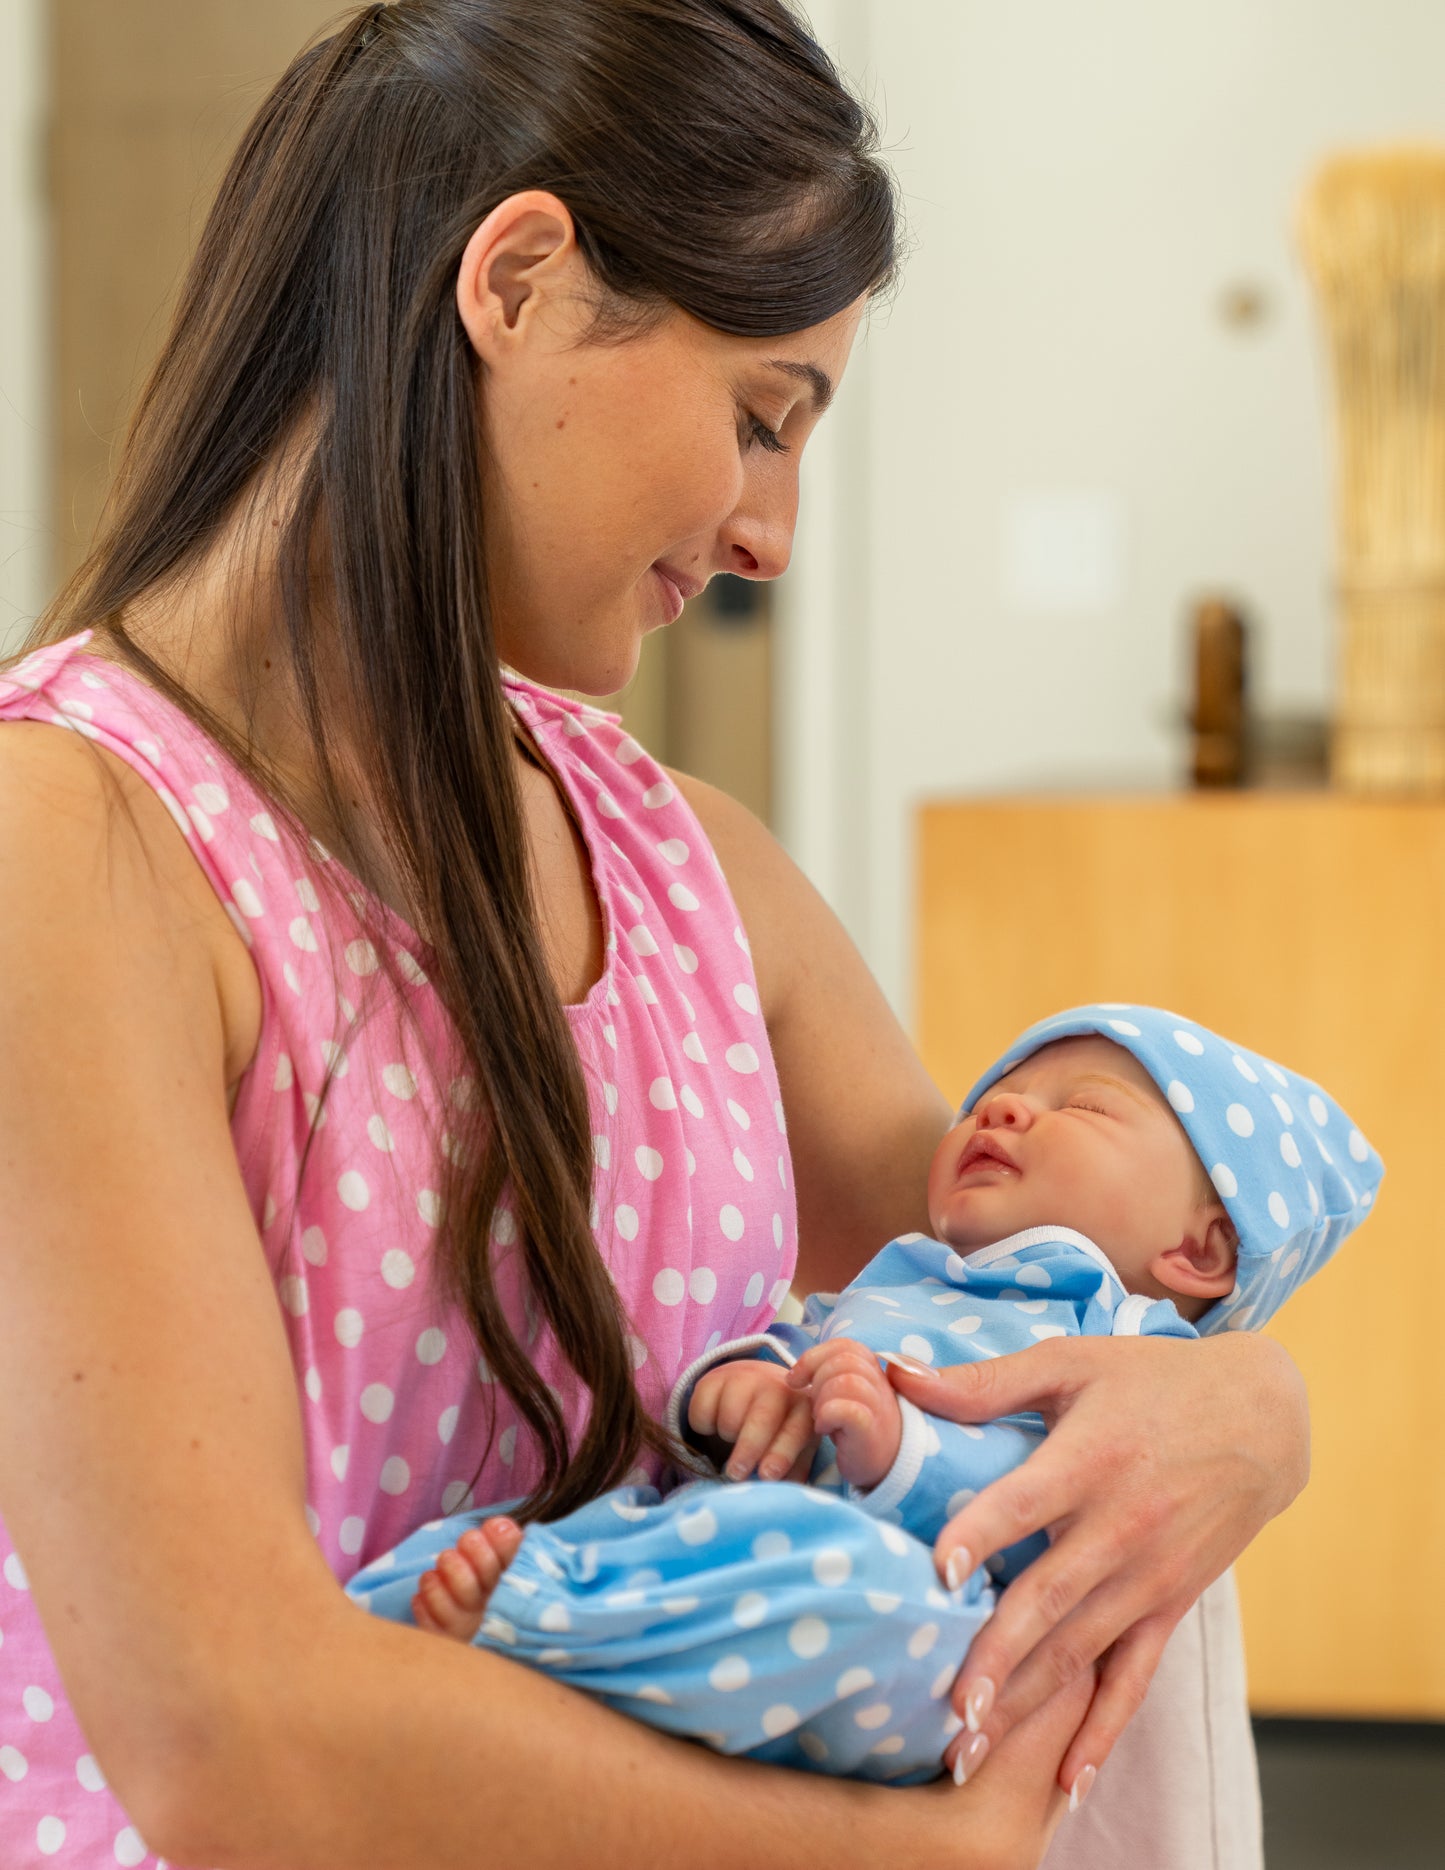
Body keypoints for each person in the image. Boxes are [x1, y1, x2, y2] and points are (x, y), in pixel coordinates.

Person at [0, 4, 1312, 1867]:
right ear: (517, 282)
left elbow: (1017, 1287)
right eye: (761, 418)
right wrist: (896, 1860)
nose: (772, 533)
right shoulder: (70, 850)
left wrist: (1255, 1402)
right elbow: (227, 1739)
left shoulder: (694, 872)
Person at [348, 1005, 1379, 1788]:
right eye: (993, 1095)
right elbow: (800, 1341)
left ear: (1199, 1250)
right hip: (730, 1534)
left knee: (874, 1604)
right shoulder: (903, 1275)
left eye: (1084, 1108)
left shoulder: (1121, 1341)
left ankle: (547, 1624)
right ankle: (395, 1620)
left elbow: (1050, 1494)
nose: (1001, 1107)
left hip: (901, 1595)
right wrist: (741, 1385)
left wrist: (895, 1449)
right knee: (579, 1517)